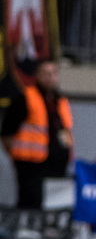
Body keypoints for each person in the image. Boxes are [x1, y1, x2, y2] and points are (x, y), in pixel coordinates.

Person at [0, 60, 73, 209]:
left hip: (57, 165)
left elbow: (65, 131)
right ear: (37, 75)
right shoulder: (25, 98)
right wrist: (15, 155)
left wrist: (68, 154)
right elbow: (7, 132)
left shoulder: (61, 101)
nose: (50, 77)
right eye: (46, 73)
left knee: (56, 207)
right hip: (30, 165)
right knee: (31, 203)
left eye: (53, 73)